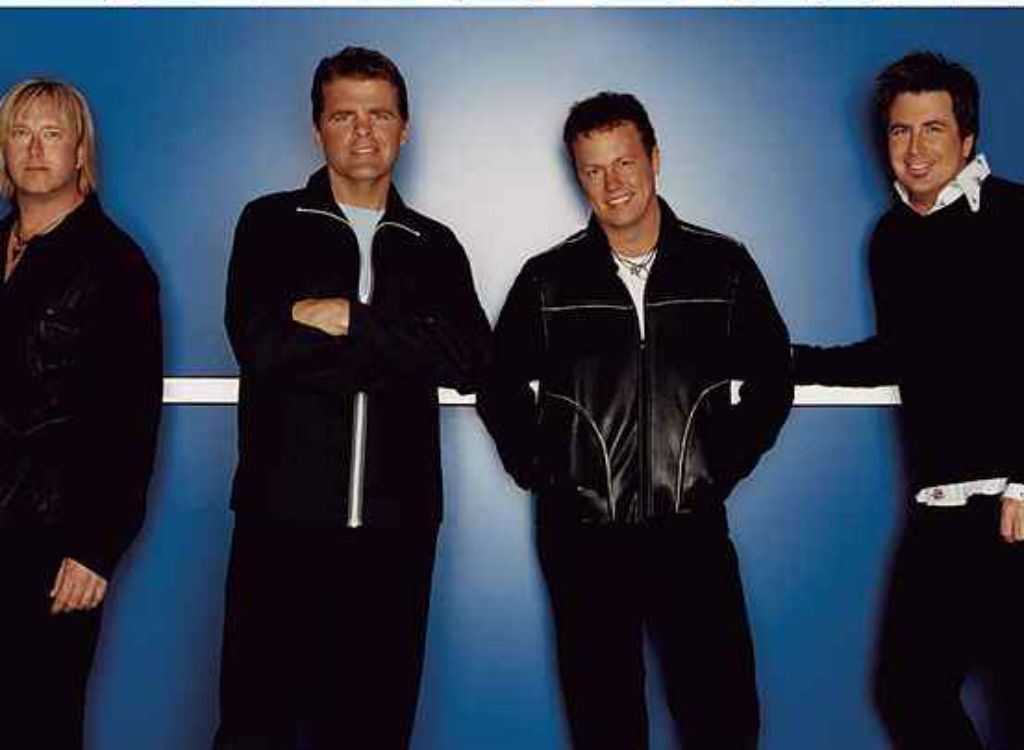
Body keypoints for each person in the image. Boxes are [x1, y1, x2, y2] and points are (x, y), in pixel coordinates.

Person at [478, 92, 792, 750]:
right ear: (577, 175)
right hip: (583, 539)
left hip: (691, 530)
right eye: (592, 169)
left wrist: (721, 463)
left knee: (723, 720)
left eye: (624, 162)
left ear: (654, 158)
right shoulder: (547, 280)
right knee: (605, 725)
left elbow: (773, 376)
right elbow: (498, 386)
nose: (612, 183)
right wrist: (546, 472)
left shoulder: (723, 266)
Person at [216, 46, 491, 750]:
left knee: (373, 727)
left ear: (405, 127)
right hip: (282, 522)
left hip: (397, 533)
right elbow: (261, 346)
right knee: (256, 725)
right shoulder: (269, 224)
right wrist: (400, 348)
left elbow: (470, 360)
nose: (363, 131)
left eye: (379, 115)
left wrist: (347, 319)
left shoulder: (434, 245)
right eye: (344, 115)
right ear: (318, 129)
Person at [792, 51, 1024, 749]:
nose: (915, 149)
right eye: (900, 130)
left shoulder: (1017, 215)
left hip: (1016, 508)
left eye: (933, 128)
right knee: (907, 689)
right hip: (939, 511)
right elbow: (899, 355)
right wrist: (786, 360)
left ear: (967, 138)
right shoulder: (892, 239)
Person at [0, 78, 162, 750]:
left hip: (49, 537)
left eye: (52, 134)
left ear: (80, 153)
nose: (35, 149)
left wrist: (95, 547)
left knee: (37, 723)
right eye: (20, 133)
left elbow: (131, 421)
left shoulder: (116, 265)